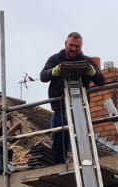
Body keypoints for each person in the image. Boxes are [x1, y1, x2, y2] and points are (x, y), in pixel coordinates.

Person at [37, 31, 104, 164]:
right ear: (65, 44)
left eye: (77, 46)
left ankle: (84, 162)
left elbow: (101, 81)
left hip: (80, 108)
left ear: (81, 46)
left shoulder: (86, 61)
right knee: (59, 138)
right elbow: (43, 76)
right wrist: (53, 72)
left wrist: (92, 72)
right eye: (71, 45)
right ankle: (59, 164)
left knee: (82, 138)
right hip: (60, 107)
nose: (74, 49)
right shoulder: (55, 59)